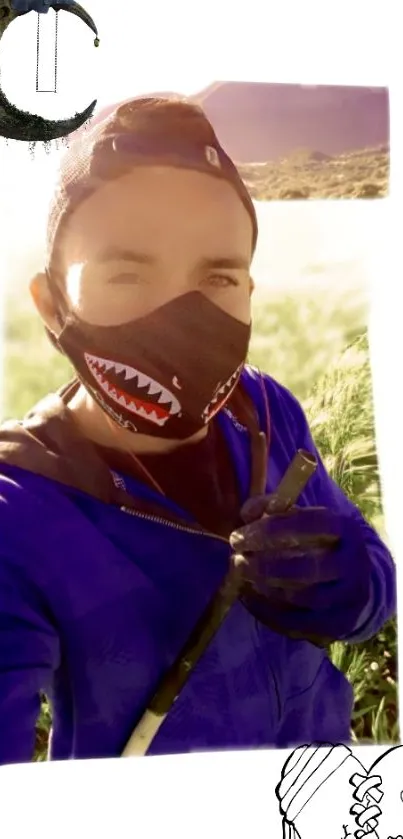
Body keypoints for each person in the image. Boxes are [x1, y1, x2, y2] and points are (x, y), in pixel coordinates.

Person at [0, 96, 396, 765]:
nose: (179, 314)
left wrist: (350, 583)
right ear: (51, 302)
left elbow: (372, 581)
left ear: (248, 291)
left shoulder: (266, 408)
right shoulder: (20, 511)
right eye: (126, 271)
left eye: (217, 275)